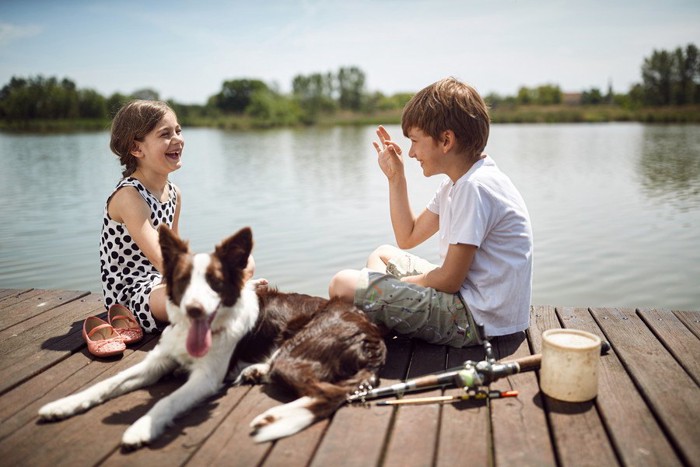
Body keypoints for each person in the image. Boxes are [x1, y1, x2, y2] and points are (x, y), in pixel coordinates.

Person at [328, 77, 533, 347]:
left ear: (446, 140)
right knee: (382, 254)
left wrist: (406, 284)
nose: (411, 153)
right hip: (469, 303)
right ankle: (381, 320)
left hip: (474, 320)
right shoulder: (457, 183)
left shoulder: (475, 188)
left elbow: (448, 280)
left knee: (341, 284)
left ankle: (377, 322)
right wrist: (395, 178)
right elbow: (408, 236)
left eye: (414, 141)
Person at [100, 100, 184, 333]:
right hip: (131, 298)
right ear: (137, 149)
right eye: (165, 134)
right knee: (193, 297)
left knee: (244, 261)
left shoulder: (174, 193)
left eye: (178, 130)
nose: (177, 139)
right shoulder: (129, 196)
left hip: (164, 282)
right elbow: (163, 260)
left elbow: (174, 252)